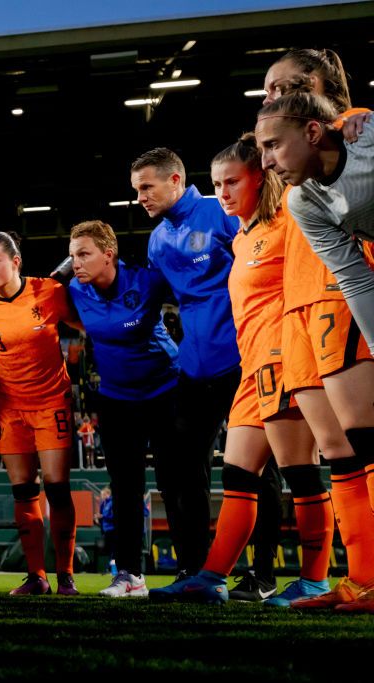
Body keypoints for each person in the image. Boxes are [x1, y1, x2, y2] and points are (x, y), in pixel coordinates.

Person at [150, 134, 334, 607]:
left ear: (262, 177)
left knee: (300, 473)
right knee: (236, 474)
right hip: (249, 369)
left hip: (286, 363)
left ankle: (314, 579)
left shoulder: (287, 219)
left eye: (232, 181)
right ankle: (212, 576)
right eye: (216, 183)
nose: (223, 192)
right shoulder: (244, 232)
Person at [256, 84, 374, 613]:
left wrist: (363, 117)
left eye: (273, 147)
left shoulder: (369, 141)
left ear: (310, 131)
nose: (267, 162)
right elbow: (355, 278)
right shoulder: (303, 200)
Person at [131, 147, 242, 581]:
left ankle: (262, 575)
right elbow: (147, 302)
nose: (140, 196)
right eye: (136, 189)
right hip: (195, 366)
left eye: (146, 187)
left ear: (175, 180)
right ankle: (195, 570)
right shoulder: (158, 239)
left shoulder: (223, 213)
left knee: (256, 465)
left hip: (245, 356)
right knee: (178, 469)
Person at [66, 220, 179, 598]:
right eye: (71, 256)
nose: (76, 263)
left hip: (165, 391)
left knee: (174, 483)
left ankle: (194, 570)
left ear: (108, 254)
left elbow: (195, 299)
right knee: (125, 488)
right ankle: (130, 576)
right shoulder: (75, 290)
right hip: (116, 399)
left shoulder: (147, 281)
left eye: (83, 254)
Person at [0, 231, 80, 596]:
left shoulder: (47, 291)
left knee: (58, 490)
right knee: (23, 491)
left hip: (51, 404)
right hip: (9, 409)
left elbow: (85, 323)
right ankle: (37, 576)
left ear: (15, 262)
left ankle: (65, 576)